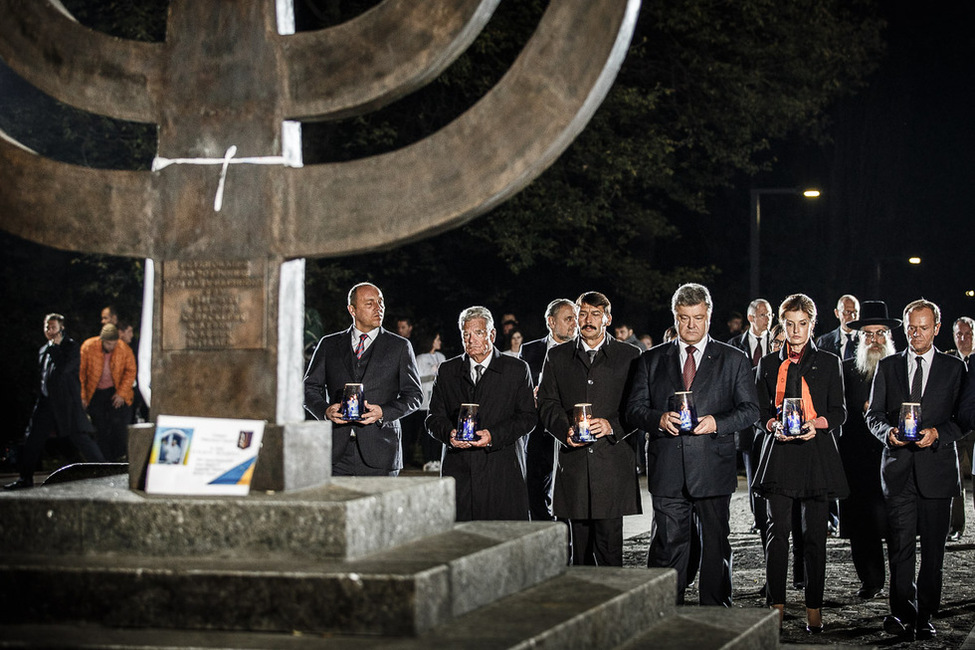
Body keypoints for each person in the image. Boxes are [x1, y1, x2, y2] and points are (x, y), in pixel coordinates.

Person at [625, 283, 759, 606]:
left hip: (713, 465)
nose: (691, 325)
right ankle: (663, 608)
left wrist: (717, 422)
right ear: (675, 316)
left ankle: (714, 610)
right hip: (668, 468)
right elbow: (633, 410)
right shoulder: (651, 360)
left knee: (715, 545)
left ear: (708, 316)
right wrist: (658, 419)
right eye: (684, 318)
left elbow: (751, 410)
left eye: (697, 318)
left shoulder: (733, 359)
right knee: (668, 544)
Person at [865, 299, 967, 640]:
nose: (916, 334)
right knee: (901, 547)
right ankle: (901, 613)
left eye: (923, 328)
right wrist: (888, 434)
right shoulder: (889, 366)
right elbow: (873, 415)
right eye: (911, 327)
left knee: (933, 551)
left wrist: (938, 433)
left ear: (937, 328)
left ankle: (925, 614)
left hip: (937, 472)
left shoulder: (954, 369)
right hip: (898, 471)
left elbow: (964, 420)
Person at [753, 293, 848, 633]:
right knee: (777, 535)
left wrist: (816, 424)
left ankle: (813, 607)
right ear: (782, 323)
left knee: (814, 539)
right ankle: (775, 606)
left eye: (802, 324)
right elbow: (760, 413)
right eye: (790, 324)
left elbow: (839, 412)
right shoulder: (766, 365)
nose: (795, 331)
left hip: (815, 456)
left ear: (812, 324)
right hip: (778, 456)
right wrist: (772, 425)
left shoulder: (829, 361)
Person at [537, 291, 642, 566]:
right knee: (578, 554)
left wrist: (612, 426)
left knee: (609, 553)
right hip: (573, 467)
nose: (588, 320)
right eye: (582, 314)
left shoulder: (629, 356)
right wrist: (564, 430)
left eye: (596, 314)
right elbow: (547, 403)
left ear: (607, 319)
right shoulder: (557, 357)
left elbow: (639, 407)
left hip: (612, 467)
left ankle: (612, 607)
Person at [425, 307, 536, 521]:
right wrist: (448, 434)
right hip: (460, 471)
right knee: (462, 540)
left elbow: (527, 417)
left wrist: (493, 435)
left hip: (501, 469)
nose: (470, 339)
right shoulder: (448, 370)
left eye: (477, 333)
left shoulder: (516, 369)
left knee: (503, 538)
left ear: (492, 335)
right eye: (466, 334)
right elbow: (433, 418)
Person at [303, 282, 423, 476]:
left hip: (382, 453)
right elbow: (308, 389)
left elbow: (414, 395)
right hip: (335, 455)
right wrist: (325, 411)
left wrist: (383, 412)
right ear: (352, 309)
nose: (379, 308)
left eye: (381, 302)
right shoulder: (329, 344)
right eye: (370, 303)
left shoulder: (400, 346)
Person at [839, 301, 900, 600]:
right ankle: (870, 579)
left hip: (895, 457)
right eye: (868, 334)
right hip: (857, 461)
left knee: (896, 524)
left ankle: (901, 583)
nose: (874, 340)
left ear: (889, 337)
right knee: (862, 525)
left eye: (880, 333)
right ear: (859, 338)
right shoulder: (846, 371)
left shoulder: (901, 367)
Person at [4, 314, 105, 490]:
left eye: (53, 327)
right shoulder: (43, 349)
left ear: (61, 328)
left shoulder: (71, 347)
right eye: (47, 327)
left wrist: (56, 348)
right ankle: (25, 478)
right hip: (46, 403)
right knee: (32, 439)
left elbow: (64, 370)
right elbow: (42, 375)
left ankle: (106, 472)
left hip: (66, 403)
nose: (49, 331)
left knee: (81, 438)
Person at [520, 298, 578, 521]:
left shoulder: (581, 349)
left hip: (570, 431)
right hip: (538, 432)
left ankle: (568, 542)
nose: (574, 323)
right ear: (551, 322)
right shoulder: (530, 351)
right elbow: (520, 388)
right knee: (534, 491)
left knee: (569, 492)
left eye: (575, 318)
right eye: (568, 318)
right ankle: (544, 536)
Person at [729, 298, 774, 534]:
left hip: (771, 416)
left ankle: (772, 515)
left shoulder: (778, 343)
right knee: (752, 469)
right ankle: (759, 518)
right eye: (763, 315)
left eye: (770, 315)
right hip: (746, 420)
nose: (768, 319)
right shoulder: (735, 345)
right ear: (751, 318)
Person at [80, 323, 137, 461]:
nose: (111, 347)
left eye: (113, 344)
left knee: (118, 426)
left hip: (115, 390)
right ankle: (104, 460)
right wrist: (83, 396)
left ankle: (119, 457)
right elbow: (81, 374)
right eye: (108, 344)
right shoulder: (88, 347)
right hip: (96, 392)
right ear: (101, 340)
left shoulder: (124, 349)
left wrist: (121, 393)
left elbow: (130, 372)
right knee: (100, 428)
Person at [946, 316, 974, 542]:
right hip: (955, 430)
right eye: (959, 334)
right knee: (955, 481)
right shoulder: (947, 362)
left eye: (968, 334)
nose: (963, 339)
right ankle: (956, 527)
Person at [415, 329, 447, 473]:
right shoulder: (421, 358)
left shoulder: (441, 356)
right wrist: (432, 373)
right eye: (437, 339)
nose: (439, 342)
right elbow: (418, 378)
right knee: (427, 433)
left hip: (439, 400)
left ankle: (437, 459)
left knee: (439, 430)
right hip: (425, 401)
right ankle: (428, 460)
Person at [815, 294, 860, 360]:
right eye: (848, 312)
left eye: (855, 312)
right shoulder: (824, 342)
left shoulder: (866, 340)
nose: (853, 317)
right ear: (837, 313)